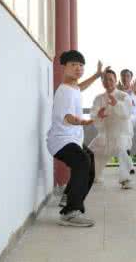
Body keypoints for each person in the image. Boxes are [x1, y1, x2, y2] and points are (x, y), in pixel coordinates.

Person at [47, 50, 102, 227]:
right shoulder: (64, 91)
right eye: (73, 65)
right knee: (82, 162)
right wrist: (85, 121)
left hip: (72, 138)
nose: (78, 68)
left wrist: (96, 75)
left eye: (81, 66)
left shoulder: (74, 87)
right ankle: (70, 212)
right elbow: (68, 117)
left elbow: (81, 87)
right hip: (61, 140)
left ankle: (68, 197)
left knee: (89, 160)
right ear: (64, 67)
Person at [89, 69, 134, 189]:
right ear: (102, 82)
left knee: (121, 149)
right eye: (105, 79)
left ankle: (125, 179)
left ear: (115, 81)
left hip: (121, 133)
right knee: (91, 152)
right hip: (105, 133)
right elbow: (93, 114)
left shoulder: (124, 96)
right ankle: (95, 175)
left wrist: (116, 105)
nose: (108, 82)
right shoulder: (99, 98)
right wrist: (99, 115)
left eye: (110, 79)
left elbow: (127, 114)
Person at [118, 68, 136, 175]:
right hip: (123, 120)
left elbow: (130, 105)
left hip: (132, 118)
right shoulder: (117, 90)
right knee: (123, 142)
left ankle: (128, 165)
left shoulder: (135, 91)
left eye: (127, 76)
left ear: (131, 78)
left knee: (124, 139)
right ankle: (129, 165)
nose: (125, 78)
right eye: (123, 76)